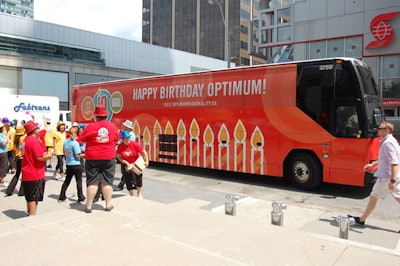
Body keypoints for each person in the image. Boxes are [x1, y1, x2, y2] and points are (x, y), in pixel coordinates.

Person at [349, 122, 400, 227]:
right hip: (392, 175)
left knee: (373, 196)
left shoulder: (387, 143)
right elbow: (384, 159)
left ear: (387, 130)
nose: (378, 130)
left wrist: (392, 180)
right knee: (397, 197)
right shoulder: (390, 140)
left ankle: (362, 219)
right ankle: (362, 219)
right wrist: (372, 164)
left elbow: (394, 162)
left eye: (380, 128)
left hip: (387, 177)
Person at [79, 105, 119, 213]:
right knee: (107, 181)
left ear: (95, 116)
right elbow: (117, 138)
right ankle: (108, 204)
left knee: (92, 181)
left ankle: (88, 206)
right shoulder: (112, 126)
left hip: (92, 157)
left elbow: (81, 139)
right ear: (105, 115)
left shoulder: (90, 126)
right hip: (108, 157)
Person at [21, 120, 53, 216]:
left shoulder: (25, 141)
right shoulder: (33, 141)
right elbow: (39, 157)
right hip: (35, 173)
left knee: (29, 197)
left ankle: (29, 214)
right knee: (33, 198)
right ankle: (32, 217)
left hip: (26, 172)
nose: (39, 130)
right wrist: (49, 155)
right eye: (37, 128)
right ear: (34, 130)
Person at [116, 131, 149, 198]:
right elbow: (119, 157)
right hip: (126, 165)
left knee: (138, 178)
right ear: (123, 139)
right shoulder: (120, 146)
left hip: (135, 164)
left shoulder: (134, 144)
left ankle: (139, 193)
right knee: (127, 179)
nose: (127, 139)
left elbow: (143, 152)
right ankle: (131, 194)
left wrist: (146, 161)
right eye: (126, 138)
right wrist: (126, 163)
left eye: (128, 138)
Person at [58, 127, 86, 203]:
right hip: (76, 164)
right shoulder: (75, 143)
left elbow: (65, 152)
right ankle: (80, 196)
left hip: (69, 163)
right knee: (79, 181)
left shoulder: (65, 142)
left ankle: (62, 195)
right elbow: (77, 155)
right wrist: (85, 154)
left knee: (67, 181)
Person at [115, 119, 136, 191]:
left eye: (125, 126)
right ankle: (135, 183)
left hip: (128, 154)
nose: (123, 127)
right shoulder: (127, 133)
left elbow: (126, 143)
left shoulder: (130, 135)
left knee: (125, 170)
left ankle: (121, 185)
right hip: (126, 153)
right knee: (128, 170)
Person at [5, 125, 26, 196]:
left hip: (17, 157)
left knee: (17, 174)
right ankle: (21, 191)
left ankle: (9, 190)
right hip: (23, 158)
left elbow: (14, 150)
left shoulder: (15, 139)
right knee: (24, 175)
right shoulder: (24, 138)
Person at [0, 122, 9, 187]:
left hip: (2, 152)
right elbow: (3, 143)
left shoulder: (1, 134)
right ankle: (2, 180)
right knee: (3, 166)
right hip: (2, 152)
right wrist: (8, 136)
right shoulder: (0, 135)